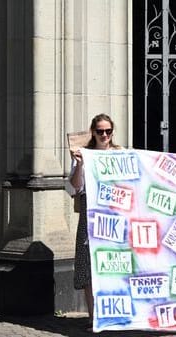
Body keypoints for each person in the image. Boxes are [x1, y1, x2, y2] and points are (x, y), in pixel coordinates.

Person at [67, 113, 122, 329]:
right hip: (90, 215)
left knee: (114, 265)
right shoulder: (84, 155)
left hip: (115, 216)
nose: (104, 135)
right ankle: (94, 316)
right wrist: (80, 165)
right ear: (93, 132)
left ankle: (114, 313)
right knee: (89, 267)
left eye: (108, 131)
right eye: (100, 131)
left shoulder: (120, 153)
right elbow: (74, 187)